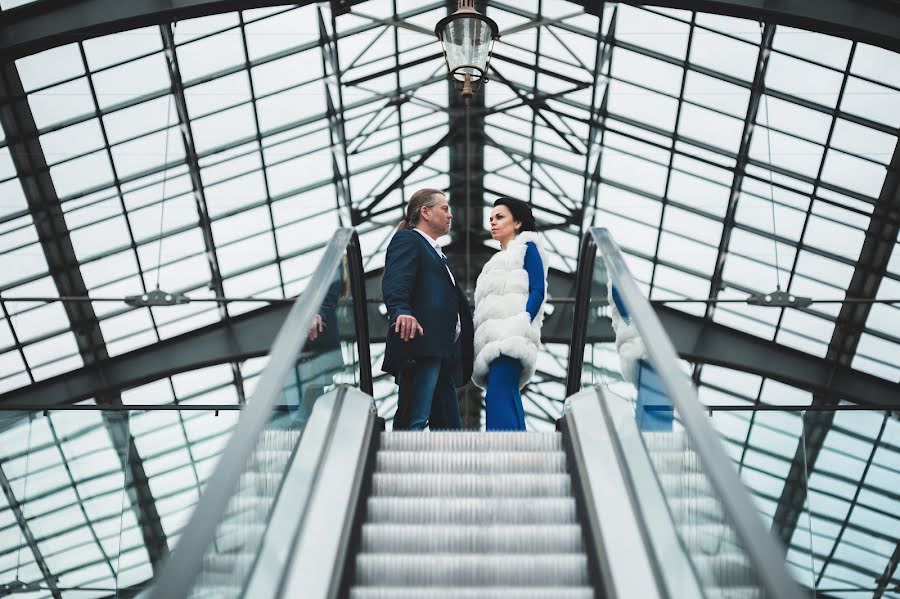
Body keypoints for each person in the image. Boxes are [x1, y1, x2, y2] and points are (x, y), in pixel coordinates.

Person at [381, 188, 474, 431]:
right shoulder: (408, 240)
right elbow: (397, 279)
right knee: (415, 416)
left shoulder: (436, 254)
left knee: (450, 428)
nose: (450, 215)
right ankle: (398, 465)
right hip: (421, 344)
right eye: (444, 209)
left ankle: (450, 468)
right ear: (425, 212)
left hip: (442, 350)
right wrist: (401, 310)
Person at [472, 198, 548, 431]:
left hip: (513, 335)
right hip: (493, 340)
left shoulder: (528, 247)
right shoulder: (494, 263)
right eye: (491, 219)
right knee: (504, 393)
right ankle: (516, 448)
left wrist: (522, 321)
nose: (493, 223)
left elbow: (538, 289)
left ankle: (501, 451)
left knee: (498, 393)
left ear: (517, 223)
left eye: (500, 217)